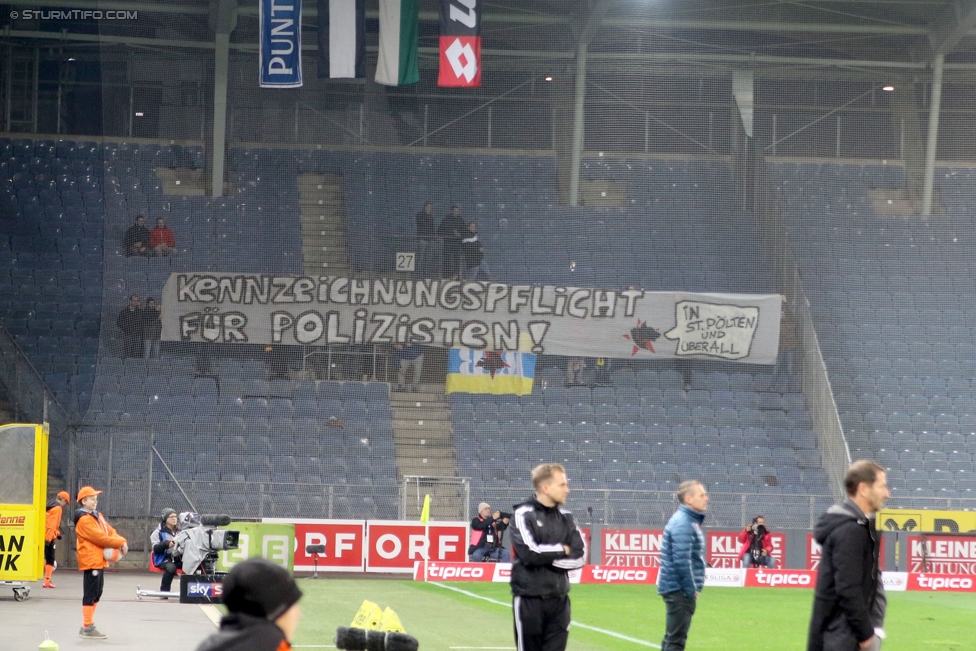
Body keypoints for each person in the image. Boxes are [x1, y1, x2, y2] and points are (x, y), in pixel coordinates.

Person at [807, 461, 889, 651]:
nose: (886, 493)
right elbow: (848, 589)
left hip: (843, 635)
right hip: (843, 638)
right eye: (882, 486)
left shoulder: (858, 527)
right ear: (863, 489)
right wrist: (865, 634)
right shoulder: (850, 531)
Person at [510, 463, 586, 651]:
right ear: (545, 488)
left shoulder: (567, 518)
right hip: (529, 600)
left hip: (560, 602)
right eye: (562, 485)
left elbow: (580, 556)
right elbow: (529, 554)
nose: (567, 490)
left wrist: (545, 559)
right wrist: (563, 549)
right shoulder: (523, 514)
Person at [195, 557, 303, 651]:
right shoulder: (275, 647)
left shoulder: (210, 645)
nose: (298, 613)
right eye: (291, 605)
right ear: (275, 611)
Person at [657, 480, 708, 651]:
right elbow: (681, 561)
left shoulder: (687, 520)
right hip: (678, 589)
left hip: (675, 587)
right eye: (702, 495)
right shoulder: (684, 523)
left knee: (672, 638)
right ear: (688, 499)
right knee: (676, 641)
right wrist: (689, 590)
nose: (706, 498)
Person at [74, 486, 128, 640]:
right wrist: (121, 542)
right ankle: (87, 626)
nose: (95, 501)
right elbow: (100, 538)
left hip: (99, 560)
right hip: (91, 560)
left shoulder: (97, 515)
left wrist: (119, 540)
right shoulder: (84, 519)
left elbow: (110, 531)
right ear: (83, 501)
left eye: (96, 499)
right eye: (92, 498)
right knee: (90, 594)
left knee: (97, 593)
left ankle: (87, 625)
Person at [42, 490, 70, 588]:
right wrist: (49, 538)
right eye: (65, 502)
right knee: (50, 558)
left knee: (47, 557)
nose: (65, 504)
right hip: (48, 537)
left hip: (44, 534)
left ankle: (47, 580)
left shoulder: (49, 506)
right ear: (62, 499)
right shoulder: (57, 508)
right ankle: (47, 581)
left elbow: (47, 522)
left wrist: (57, 533)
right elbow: (52, 524)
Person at [150, 508, 182, 593]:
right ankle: (164, 592)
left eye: (175, 516)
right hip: (163, 558)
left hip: (178, 557)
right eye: (171, 517)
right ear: (165, 519)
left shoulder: (181, 531)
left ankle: (189, 593)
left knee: (193, 565)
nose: (174, 518)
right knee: (171, 568)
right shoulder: (157, 532)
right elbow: (155, 549)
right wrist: (167, 544)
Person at [437, 205, 466, 279]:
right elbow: (439, 231)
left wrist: (460, 234)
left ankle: (456, 275)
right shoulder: (446, 220)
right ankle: (446, 275)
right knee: (447, 260)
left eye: (457, 211)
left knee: (457, 260)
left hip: (457, 244)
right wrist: (451, 233)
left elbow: (465, 232)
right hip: (448, 243)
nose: (456, 212)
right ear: (451, 211)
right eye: (455, 211)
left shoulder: (461, 220)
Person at [415, 201, 436, 277]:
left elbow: (432, 228)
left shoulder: (431, 216)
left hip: (430, 240)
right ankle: (419, 274)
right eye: (427, 207)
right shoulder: (420, 215)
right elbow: (422, 225)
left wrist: (434, 237)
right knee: (420, 257)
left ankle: (426, 274)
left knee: (428, 258)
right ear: (424, 207)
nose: (429, 208)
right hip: (422, 239)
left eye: (430, 207)